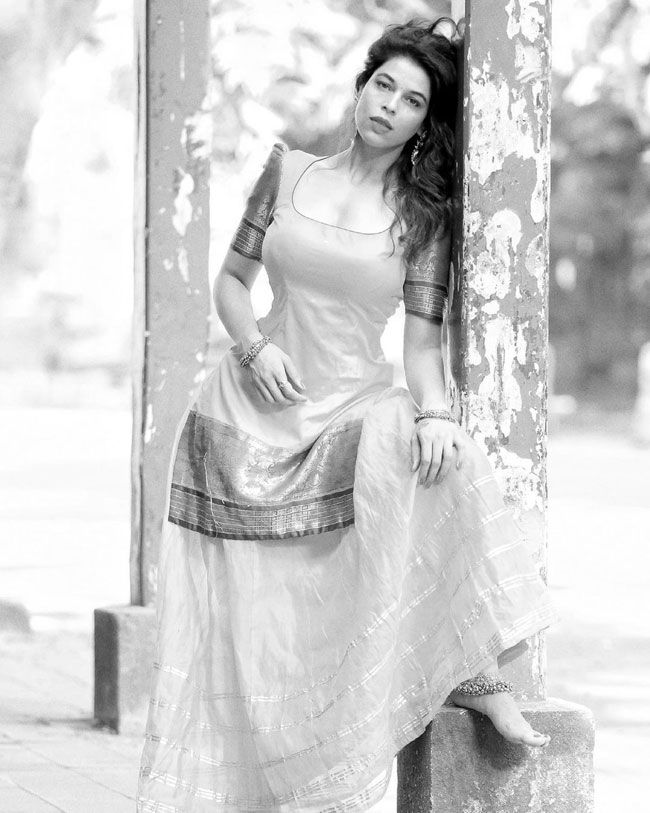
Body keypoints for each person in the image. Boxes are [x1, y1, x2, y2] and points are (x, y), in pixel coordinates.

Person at [137, 17, 558, 812]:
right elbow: (231, 282)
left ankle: (475, 675)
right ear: (361, 86)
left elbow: (423, 347)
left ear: (424, 122)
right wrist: (255, 348)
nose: (389, 105)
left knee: (443, 460)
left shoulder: (423, 217)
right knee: (261, 628)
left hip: (350, 415)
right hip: (249, 414)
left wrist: (435, 414)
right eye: (382, 85)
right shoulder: (286, 171)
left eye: (411, 99)